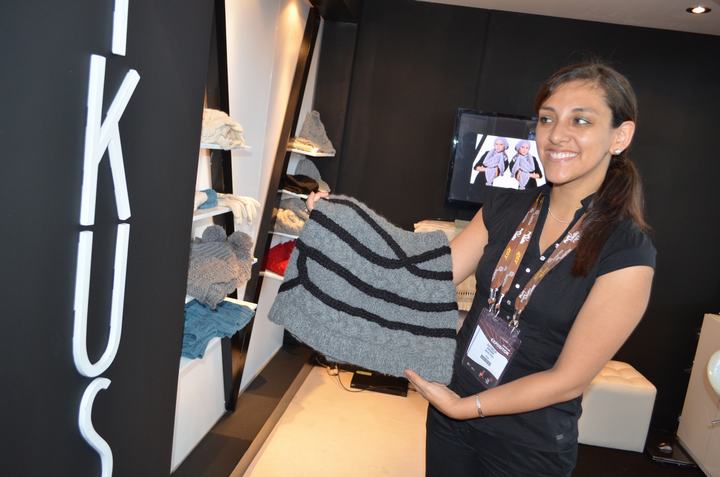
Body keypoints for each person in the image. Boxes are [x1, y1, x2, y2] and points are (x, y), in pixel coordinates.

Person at [307, 61, 655, 476]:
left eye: (581, 120)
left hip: (527, 443)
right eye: (547, 119)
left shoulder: (627, 252)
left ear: (620, 136)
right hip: (453, 413)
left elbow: (569, 379)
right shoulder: (507, 205)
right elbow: (426, 278)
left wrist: (466, 407)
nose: (557, 134)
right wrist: (346, 229)